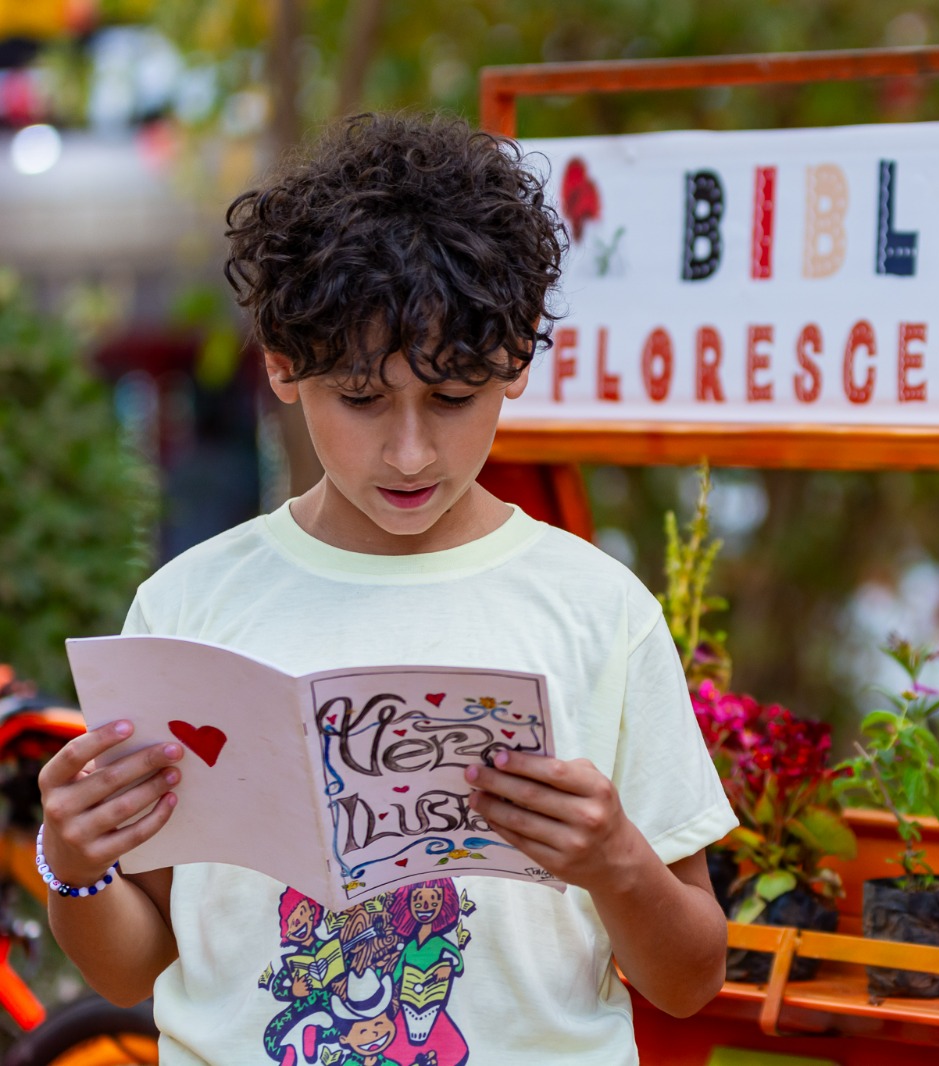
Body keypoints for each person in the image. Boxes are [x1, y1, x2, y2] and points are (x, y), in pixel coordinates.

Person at [36, 113, 736, 1064]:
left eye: (453, 399)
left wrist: (616, 858)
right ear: (282, 365)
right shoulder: (188, 607)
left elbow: (690, 981)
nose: (410, 452)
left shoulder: (597, 610)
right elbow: (135, 970)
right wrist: (75, 865)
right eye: (361, 400)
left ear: (518, 359)